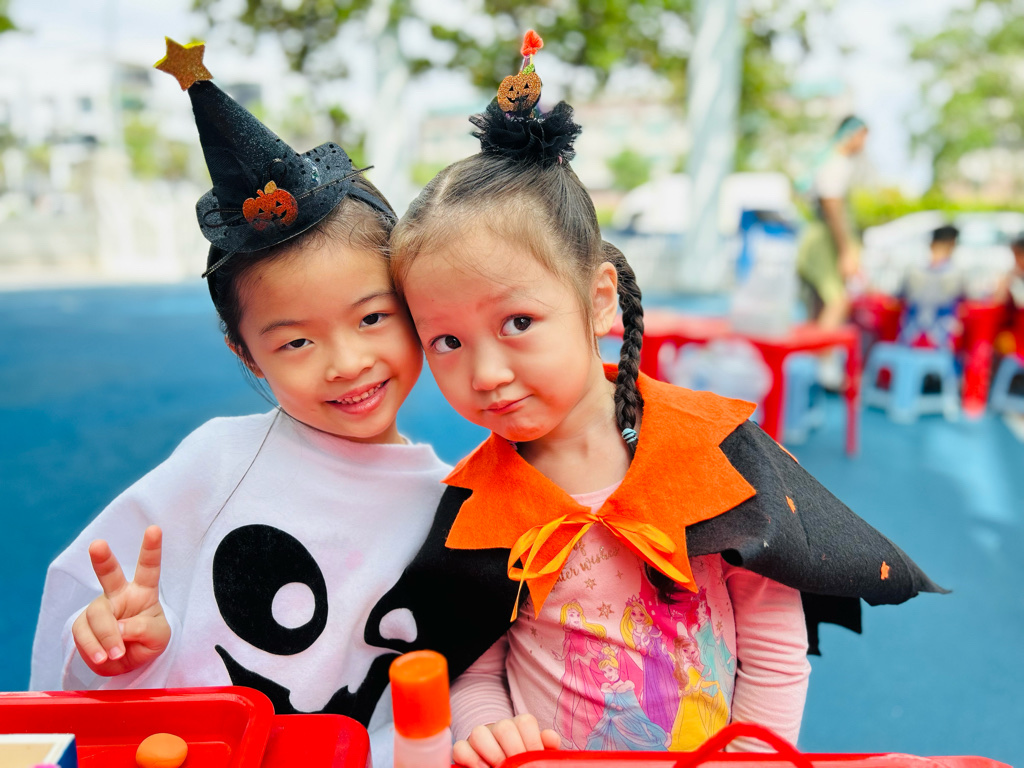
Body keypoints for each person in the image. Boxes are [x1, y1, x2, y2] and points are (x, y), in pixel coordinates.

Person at [384, 32, 944, 765]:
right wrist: (490, 729)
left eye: (517, 323)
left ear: (598, 301)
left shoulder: (705, 453)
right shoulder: (476, 506)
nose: (484, 372)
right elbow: (473, 668)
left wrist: (751, 760)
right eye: (446, 341)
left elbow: (774, 649)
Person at [30, 39, 450, 764]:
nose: (346, 363)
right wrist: (118, 645)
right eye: (296, 342)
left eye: (372, 317)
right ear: (245, 353)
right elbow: (99, 657)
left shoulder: (452, 502)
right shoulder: (219, 463)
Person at [796, 115, 869, 334]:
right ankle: (823, 353)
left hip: (820, 239)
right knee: (837, 302)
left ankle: (814, 353)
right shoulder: (836, 164)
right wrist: (846, 252)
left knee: (819, 307)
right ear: (851, 135)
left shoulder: (829, 162)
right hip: (825, 242)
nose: (863, 144)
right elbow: (832, 206)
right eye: (862, 137)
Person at [898, 225, 964, 349]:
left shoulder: (913, 271)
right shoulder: (956, 274)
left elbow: (898, 296)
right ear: (952, 245)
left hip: (910, 336)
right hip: (942, 339)